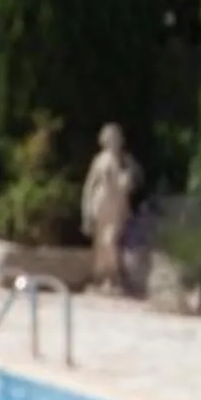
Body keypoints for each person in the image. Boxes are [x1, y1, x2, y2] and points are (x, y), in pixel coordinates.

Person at [81, 123, 143, 293]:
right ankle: (102, 278)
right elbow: (89, 186)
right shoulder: (99, 160)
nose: (112, 141)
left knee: (111, 241)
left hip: (118, 205)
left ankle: (113, 277)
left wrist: (127, 181)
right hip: (101, 204)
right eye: (109, 137)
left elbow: (134, 180)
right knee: (100, 243)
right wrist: (86, 211)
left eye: (115, 137)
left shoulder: (126, 160)